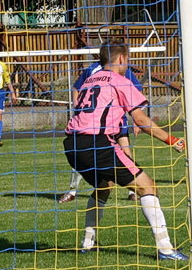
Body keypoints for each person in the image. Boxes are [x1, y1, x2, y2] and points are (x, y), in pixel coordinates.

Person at [63, 40, 188, 260]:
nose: (127, 64)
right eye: (127, 59)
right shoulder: (120, 80)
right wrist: (172, 140)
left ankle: (87, 244)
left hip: (72, 144)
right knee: (147, 186)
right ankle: (166, 249)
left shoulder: (90, 80)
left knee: (104, 186)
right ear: (121, 59)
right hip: (98, 142)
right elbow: (140, 119)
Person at [59, 57, 143, 203]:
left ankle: (132, 190)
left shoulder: (122, 69)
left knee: (126, 151)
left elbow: (136, 89)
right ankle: (72, 190)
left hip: (117, 119)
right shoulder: (92, 69)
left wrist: (137, 119)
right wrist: (78, 110)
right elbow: (76, 88)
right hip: (94, 124)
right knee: (83, 157)